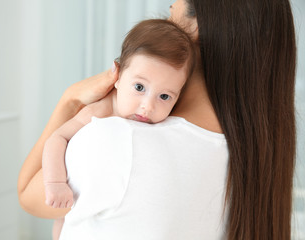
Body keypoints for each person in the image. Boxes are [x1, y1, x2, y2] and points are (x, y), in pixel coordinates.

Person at [18, 0, 297, 239]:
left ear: (197, 25)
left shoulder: (118, 140)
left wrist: (70, 99)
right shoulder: (258, 155)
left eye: (169, 15)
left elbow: (28, 194)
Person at [42, 18, 195, 239]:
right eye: (139, 87)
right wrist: (55, 183)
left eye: (164, 96)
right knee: (62, 221)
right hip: (71, 197)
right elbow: (57, 139)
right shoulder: (98, 111)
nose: (148, 106)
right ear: (118, 76)